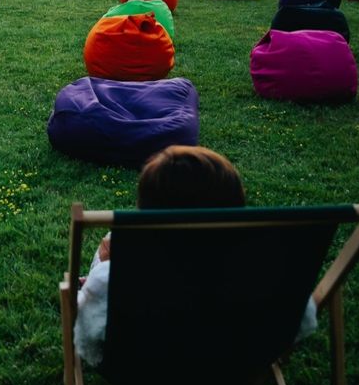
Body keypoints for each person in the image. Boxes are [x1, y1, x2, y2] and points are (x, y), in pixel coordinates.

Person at [74, 146, 317, 367]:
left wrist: (104, 269)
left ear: (147, 215)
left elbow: (90, 333)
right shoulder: (266, 273)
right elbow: (301, 317)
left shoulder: (119, 279)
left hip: (142, 367)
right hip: (235, 360)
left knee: (111, 243)